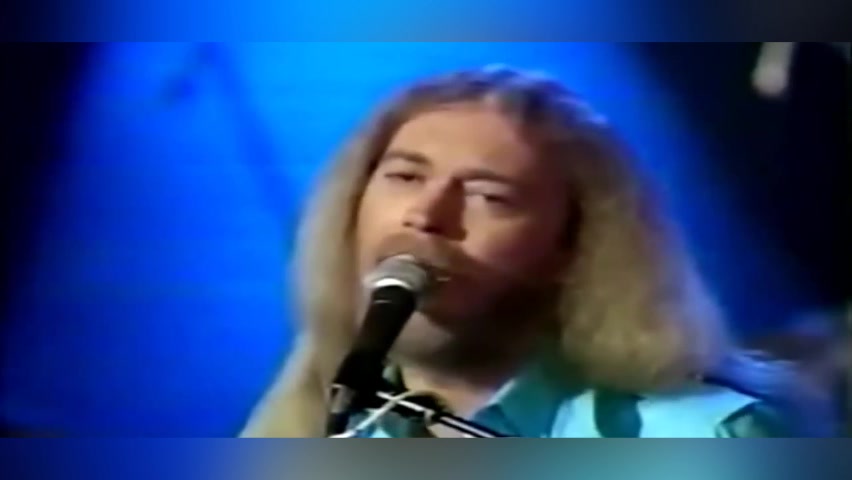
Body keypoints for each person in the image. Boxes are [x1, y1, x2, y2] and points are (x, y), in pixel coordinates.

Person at [241, 65, 830, 438]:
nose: (427, 215)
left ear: (569, 249)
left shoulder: (702, 437)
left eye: (488, 196)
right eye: (405, 177)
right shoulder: (317, 424)